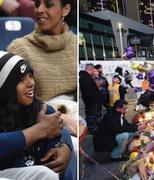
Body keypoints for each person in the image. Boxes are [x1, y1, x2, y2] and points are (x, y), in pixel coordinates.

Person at [0, 51, 75, 180]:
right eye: (21, 80)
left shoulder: (38, 108)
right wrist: (39, 130)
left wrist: (64, 146)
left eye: (30, 76)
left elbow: (58, 128)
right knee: (45, 175)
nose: (31, 83)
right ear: (6, 87)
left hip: (31, 168)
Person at [7, 0, 77, 102]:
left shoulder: (76, 44)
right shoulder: (19, 49)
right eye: (37, 4)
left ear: (65, 10)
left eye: (48, 5)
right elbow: (12, 103)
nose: (39, 10)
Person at [79, 64, 102, 133]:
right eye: (94, 70)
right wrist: (94, 99)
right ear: (91, 69)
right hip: (91, 102)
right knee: (91, 115)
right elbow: (89, 91)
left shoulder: (86, 77)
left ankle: (94, 127)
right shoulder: (85, 78)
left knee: (93, 115)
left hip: (92, 101)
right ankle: (92, 129)